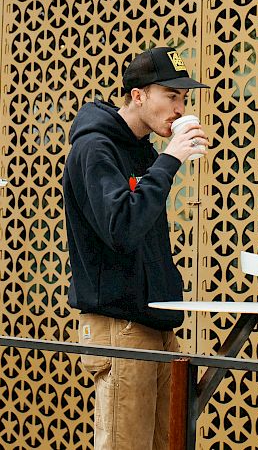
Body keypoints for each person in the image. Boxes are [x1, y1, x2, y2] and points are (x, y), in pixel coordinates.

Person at [62, 46, 209, 450]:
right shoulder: (95, 148)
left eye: (184, 99)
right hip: (120, 326)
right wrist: (170, 162)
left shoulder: (142, 151)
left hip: (157, 322)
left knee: (165, 443)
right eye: (170, 96)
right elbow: (121, 228)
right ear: (139, 95)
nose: (179, 109)